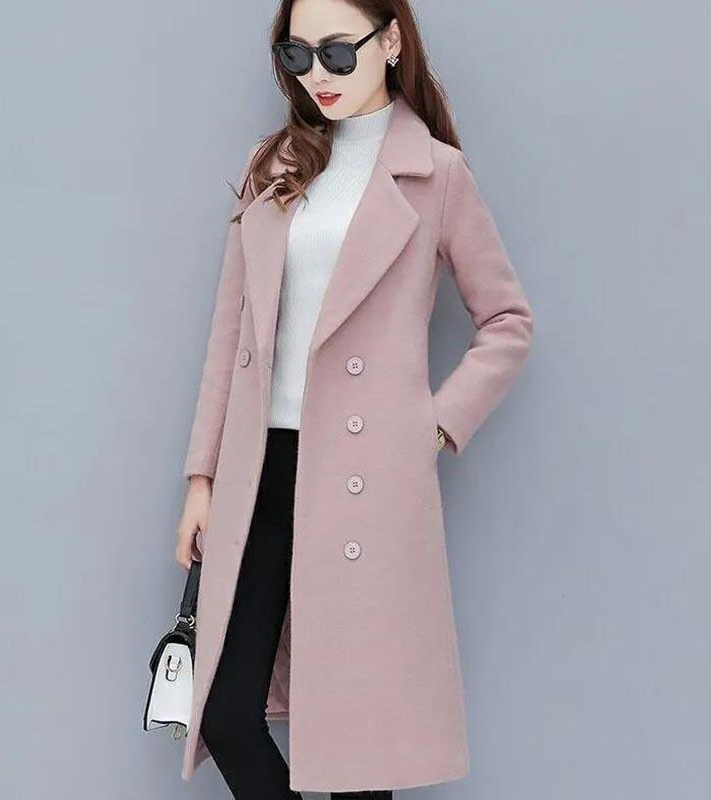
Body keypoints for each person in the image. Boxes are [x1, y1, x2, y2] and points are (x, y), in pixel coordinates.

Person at [175, 1, 534, 797]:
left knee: (357, 748)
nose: (317, 75)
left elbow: (508, 321)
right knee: (226, 713)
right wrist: (201, 477)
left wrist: (431, 427)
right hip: (258, 470)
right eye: (297, 55)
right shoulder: (273, 164)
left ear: (391, 40)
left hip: (367, 481)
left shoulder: (437, 174)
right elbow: (230, 331)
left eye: (338, 53)